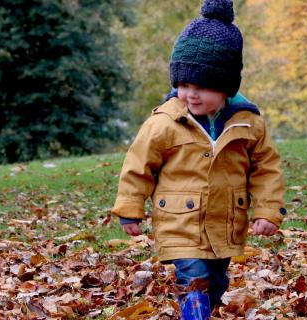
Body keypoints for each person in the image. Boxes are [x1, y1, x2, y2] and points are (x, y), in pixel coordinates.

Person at [111, 0, 286, 317]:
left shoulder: (248, 123)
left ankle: (206, 309)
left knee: (216, 282)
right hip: (179, 222)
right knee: (195, 279)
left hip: (225, 224)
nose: (191, 94)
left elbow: (266, 170)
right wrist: (130, 209)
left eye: (202, 87)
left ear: (226, 88)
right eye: (183, 84)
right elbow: (139, 166)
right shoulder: (165, 123)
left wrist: (268, 210)